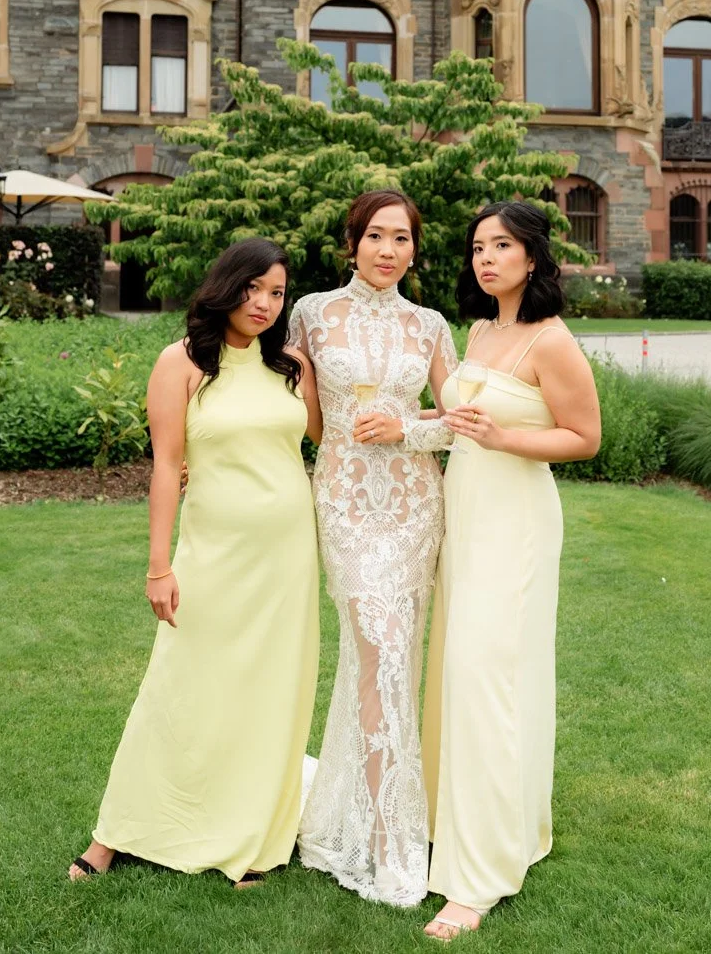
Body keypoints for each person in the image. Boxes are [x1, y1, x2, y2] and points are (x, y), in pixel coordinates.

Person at [68, 238, 321, 886]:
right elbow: (166, 467)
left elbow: (329, 441)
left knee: (270, 690)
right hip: (213, 552)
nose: (265, 303)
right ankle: (114, 834)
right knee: (178, 686)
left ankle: (255, 839)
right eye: (254, 288)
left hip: (287, 554)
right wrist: (159, 566)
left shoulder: (291, 365)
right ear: (226, 286)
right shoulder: (179, 363)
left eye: (277, 292)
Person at [422, 201, 601, 940]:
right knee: (458, 672)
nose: (485, 257)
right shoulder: (482, 329)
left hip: (517, 519)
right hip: (466, 510)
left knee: (485, 672)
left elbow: (585, 438)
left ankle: (483, 873)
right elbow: (459, 416)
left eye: (501, 245)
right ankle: (461, 823)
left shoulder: (550, 340)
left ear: (533, 256)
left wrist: (504, 436)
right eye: (476, 247)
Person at [289, 190, 457, 906]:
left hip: (416, 506)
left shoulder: (431, 325)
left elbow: (457, 419)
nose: (389, 251)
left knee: (389, 659)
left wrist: (408, 430)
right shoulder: (311, 314)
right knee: (379, 649)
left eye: (402, 239)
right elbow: (308, 423)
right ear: (351, 242)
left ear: (415, 249)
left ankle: (377, 819)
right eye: (376, 237)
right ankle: (388, 834)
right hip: (348, 507)